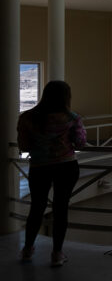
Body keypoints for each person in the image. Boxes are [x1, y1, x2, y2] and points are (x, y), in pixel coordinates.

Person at [17, 80, 86, 267]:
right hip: (66, 166)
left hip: (39, 167)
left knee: (36, 208)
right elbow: (80, 143)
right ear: (66, 97)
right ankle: (57, 253)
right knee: (61, 208)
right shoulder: (72, 118)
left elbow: (23, 145)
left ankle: (27, 249)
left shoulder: (27, 118)